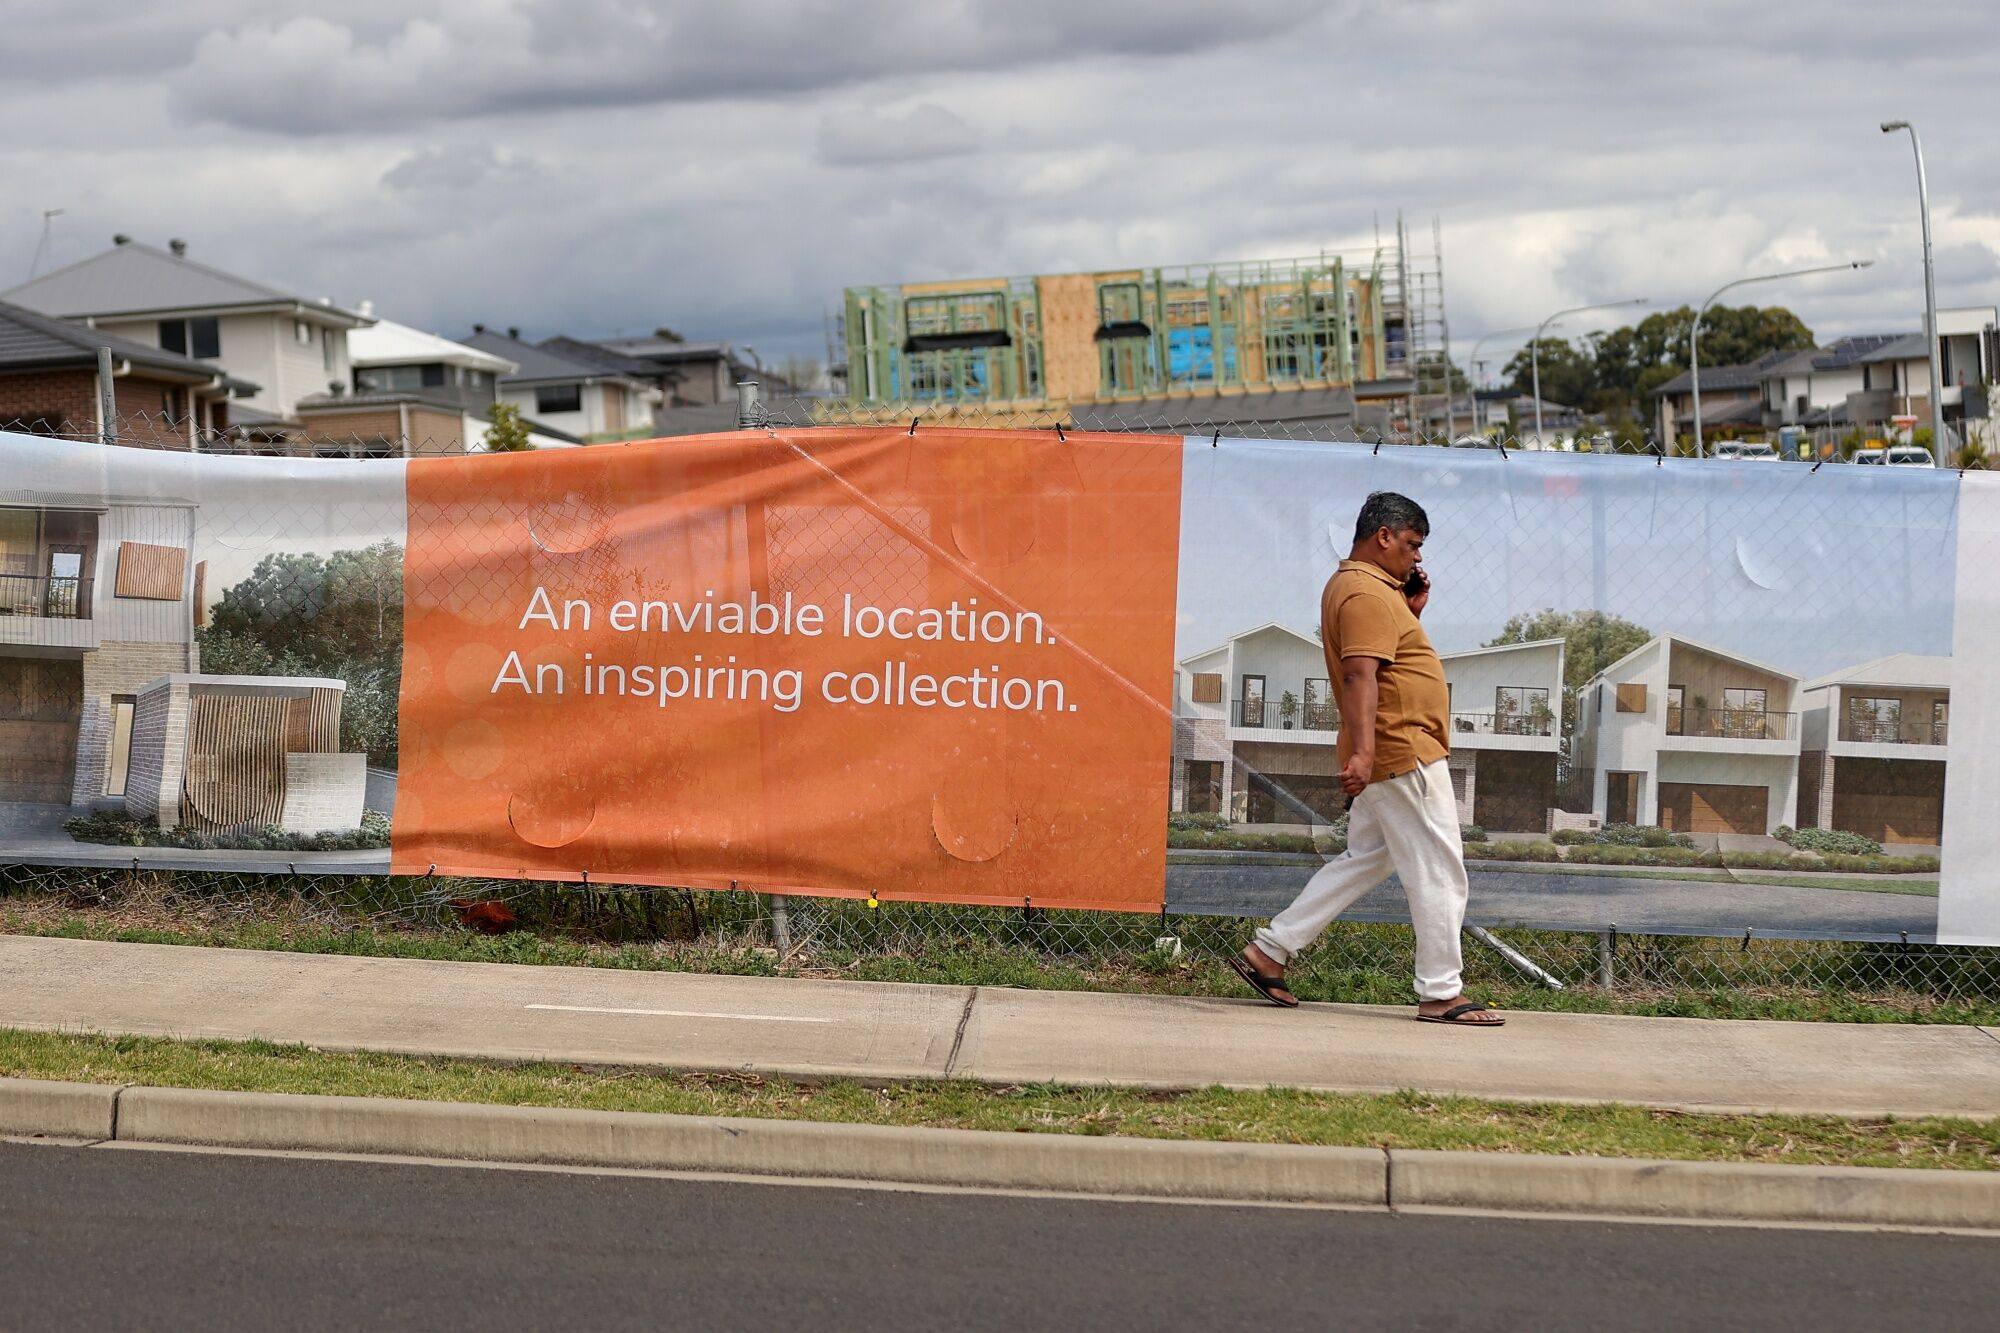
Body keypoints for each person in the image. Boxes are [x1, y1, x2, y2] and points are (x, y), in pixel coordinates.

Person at [1228, 491, 1503, 1026]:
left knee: (1367, 860)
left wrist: (1412, 608)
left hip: (1395, 749)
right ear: (1383, 536)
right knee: (1441, 871)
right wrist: (1366, 750)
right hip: (1404, 750)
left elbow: (1386, 661)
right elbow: (1360, 675)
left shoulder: (1371, 591)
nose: (1417, 558)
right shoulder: (1364, 593)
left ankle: (1271, 950)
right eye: (1411, 544)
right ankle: (1442, 992)